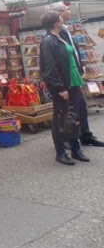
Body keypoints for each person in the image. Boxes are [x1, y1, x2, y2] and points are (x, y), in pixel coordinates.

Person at [46, 2, 104, 147]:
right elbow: (53, 64)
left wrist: (79, 68)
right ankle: (67, 139)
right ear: (59, 14)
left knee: (81, 107)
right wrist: (60, 85)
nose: (69, 11)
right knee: (68, 111)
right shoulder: (53, 36)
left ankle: (85, 135)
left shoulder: (65, 29)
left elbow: (72, 53)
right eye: (66, 9)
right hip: (66, 79)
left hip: (74, 75)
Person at [39, 10, 90, 165]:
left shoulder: (60, 37)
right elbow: (49, 68)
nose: (63, 19)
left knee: (74, 117)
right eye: (60, 18)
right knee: (60, 118)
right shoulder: (48, 41)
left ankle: (76, 149)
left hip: (73, 82)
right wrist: (60, 88)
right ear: (55, 22)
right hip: (62, 87)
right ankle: (60, 152)